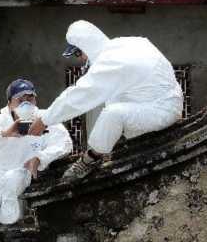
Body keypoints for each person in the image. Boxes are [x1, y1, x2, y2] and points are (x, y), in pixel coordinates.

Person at [28, 21, 183, 181]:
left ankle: (91, 158)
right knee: (112, 98)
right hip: (165, 99)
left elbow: (78, 96)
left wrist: (45, 120)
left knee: (112, 113)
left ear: (86, 48)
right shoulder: (127, 43)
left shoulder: (110, 63)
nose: (80, 59)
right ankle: (118, 141)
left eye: (78, 54)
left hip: (162, 110)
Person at [0, 78, 73, 228]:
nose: (26, 103)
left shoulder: (45, 118)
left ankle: (15, 215)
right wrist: (4, 133)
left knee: (13, 180)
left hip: (22, 172)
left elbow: (64, 143)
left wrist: (40, 158)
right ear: (9, 103)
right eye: (20, 99)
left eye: (30, 98)